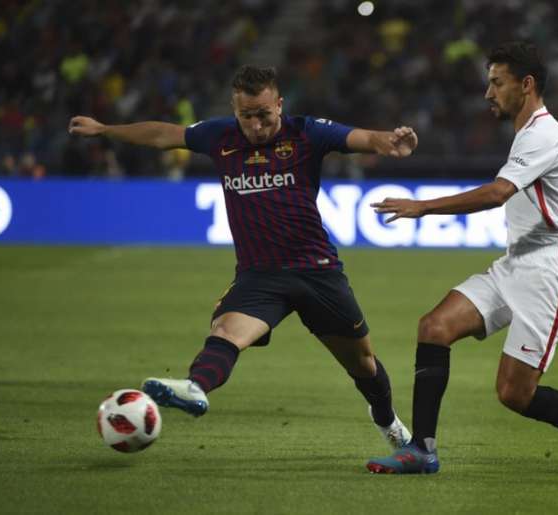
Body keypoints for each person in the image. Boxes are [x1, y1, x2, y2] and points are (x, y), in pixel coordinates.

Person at [68, 65, 418, 451]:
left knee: (363, 363)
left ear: (279, 105)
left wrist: (386, 141)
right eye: (246, 116)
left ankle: (386, 419)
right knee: (225, 333)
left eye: (263, 114)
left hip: (317, 272)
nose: (255, 125)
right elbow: (163, 134)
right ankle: (195, 386)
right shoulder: (219, 136)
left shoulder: (306, 132)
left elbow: (360, 137)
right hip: (259, 275)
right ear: (235, 111)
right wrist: (104, 130)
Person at [366, 42, 558, 476]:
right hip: (516, 263)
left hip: (548, 275)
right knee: (434, 327)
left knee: (514, 393)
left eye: (497, 83)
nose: (489, 93)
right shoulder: (536, 133)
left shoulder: (542, 134)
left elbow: (497, 194)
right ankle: (422, 449)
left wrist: (422, 207)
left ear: (525, 85)